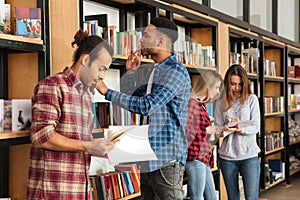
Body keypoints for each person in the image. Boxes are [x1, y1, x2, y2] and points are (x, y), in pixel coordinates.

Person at [96, 17, 191, 199]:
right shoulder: (156, 70)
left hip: (166, 160)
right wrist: (131, 74)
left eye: (146, 35)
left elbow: (146, 106)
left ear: (161, 40)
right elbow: (135, 103)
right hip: (148, 155)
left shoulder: (175, 72)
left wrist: (106, 91)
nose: (141, 40)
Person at [27, 30, 116, 199]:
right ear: (85, 59)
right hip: (53, 193)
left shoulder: (86, 94)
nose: (102, 76)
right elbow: (41, 136)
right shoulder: (52, 85)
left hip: (79, 191)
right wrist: (89, 146)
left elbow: (78, 142)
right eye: (101, 69)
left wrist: (101, 148)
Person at [214, 64, 261, 200]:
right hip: (227, 157)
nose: (237, 88)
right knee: (232, 197)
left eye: (240, 84)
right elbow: (217, 128)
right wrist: (224, 128)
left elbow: (256, 126)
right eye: (233, 84)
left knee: (251, 197)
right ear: (227, 83)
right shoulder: (221, 102)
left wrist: (241, 129)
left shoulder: (252, 99)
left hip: (249, 156)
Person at [185, 70, 223, 200]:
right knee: (197, 197)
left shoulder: (202, 105)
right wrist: (207, 131)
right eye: (216, 87)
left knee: (212, 197)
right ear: (208, 85)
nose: (217, 92)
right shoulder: (192, 104)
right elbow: (187, 133)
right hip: (195, 159)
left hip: (203, 159)